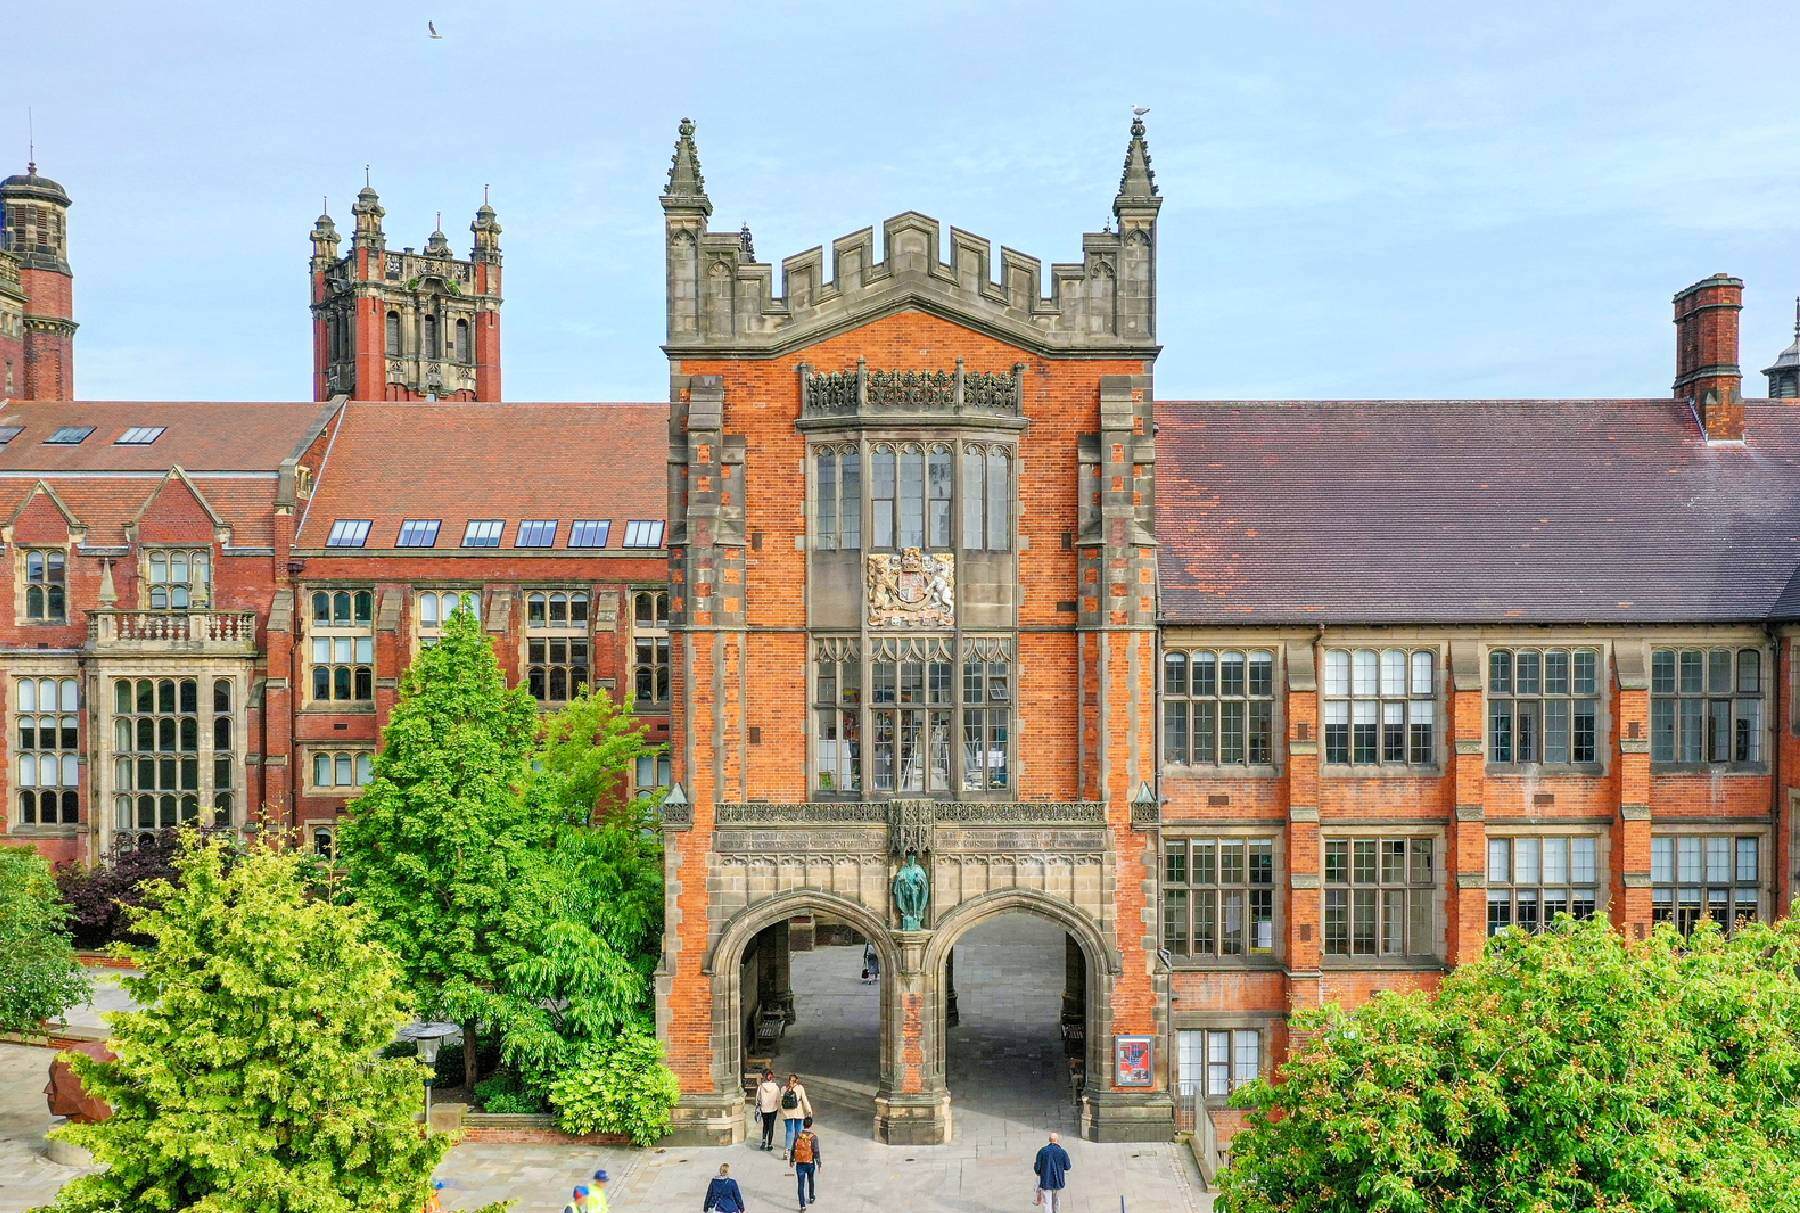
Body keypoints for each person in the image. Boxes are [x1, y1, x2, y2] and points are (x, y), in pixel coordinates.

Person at [779, 1073, 813, 1167]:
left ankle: (787, 1150)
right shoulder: (800, 1088)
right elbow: (804, 1100)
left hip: (787, 1112)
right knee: (798, 1131)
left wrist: (781, 1111)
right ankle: (798, 1148)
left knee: (789, 1130)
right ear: (797, 1080)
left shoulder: (783, 1088)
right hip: (798, 1112)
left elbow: (780, 1101)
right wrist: (809, 1111)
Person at [1033, 1132, 1073, 1212]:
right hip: (1058, 1181)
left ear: (1049, 1140)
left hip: (1046, 1180)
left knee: (1047, 1202)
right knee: (1056, 1200)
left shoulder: (1042, 1152)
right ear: (1057, 1140)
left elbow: (1037, 1168)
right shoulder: (1062, 1152)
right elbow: (1068, 1166)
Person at [791, 1116, 823, 1209]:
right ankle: (811, 1196)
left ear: (803, 1124)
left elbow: (793, 1148)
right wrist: (818, 1162)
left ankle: (802, 1205)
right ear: (811, 1125)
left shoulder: (798, 1135)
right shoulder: (813, 1137)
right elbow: (816, 1151)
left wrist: (792, 1160)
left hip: (800, 1163)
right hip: (810, 1163)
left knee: (800, 1184)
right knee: (811, 1179)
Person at [754, 1068, 782, 1151]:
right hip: (773, 1109)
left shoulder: (761, 1087)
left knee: (765, 1125)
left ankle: (763, 1141)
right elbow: (778, 1099)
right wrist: (779, 1108)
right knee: (771, 1126)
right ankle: (769, 1144)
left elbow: (757, 1099)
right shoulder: (776, 1087)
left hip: (764, 1109)